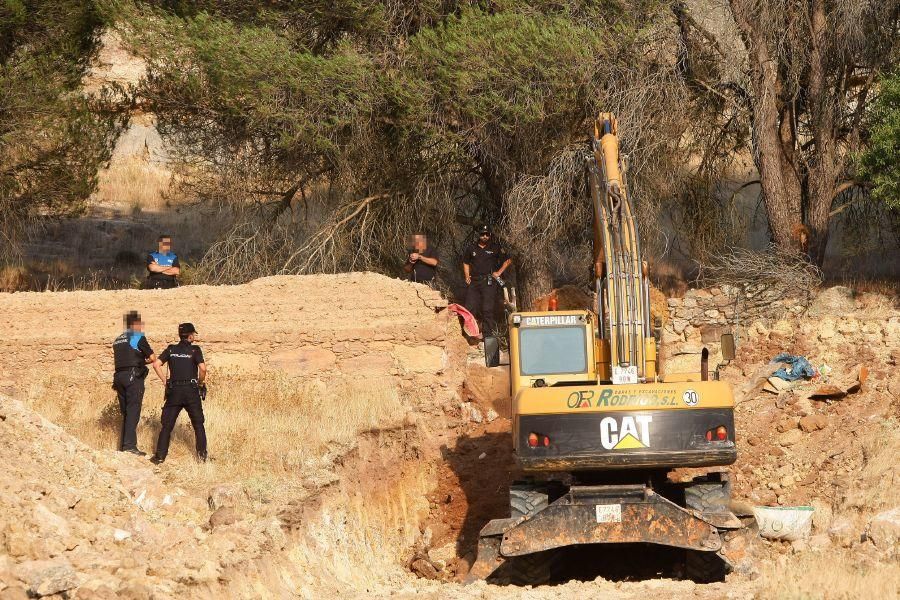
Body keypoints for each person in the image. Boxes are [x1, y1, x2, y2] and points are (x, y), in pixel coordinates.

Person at [150, 323, 208, 464]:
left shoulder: (171, 350)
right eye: (193, 334)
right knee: (198, 424)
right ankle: (201, 458)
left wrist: (165, 381)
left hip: (174, 390)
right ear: (189, 336)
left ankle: (160, 457)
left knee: (167, 425)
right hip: (191, 390)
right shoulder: (195, 350)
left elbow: (156, 364)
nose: (193, 336)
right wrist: (200, 383)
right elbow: (203, 368)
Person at [112, 311, 163, 455]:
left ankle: (124, 446)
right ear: (135, 324)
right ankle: (129, 447)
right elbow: (152, 358)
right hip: (132, 377)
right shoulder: (137, 336)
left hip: (118, 377)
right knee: (133, 411)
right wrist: (142, 361)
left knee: (126, 412)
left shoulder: (118, 339)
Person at [463, 225, 512, 336]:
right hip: (474, 281)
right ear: (479, 235)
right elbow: (465, 262)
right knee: (469, 308)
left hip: (488, 282)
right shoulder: (471, 247)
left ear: (489, 235)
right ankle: (469, 334)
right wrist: (467, 276)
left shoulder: (495, 247)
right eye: (482, 234)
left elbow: (508, 260)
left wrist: (498, 273)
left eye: (487, 234)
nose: (484, 236)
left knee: (487, 309)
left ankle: (487, 336)